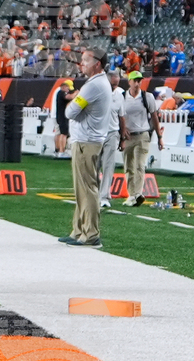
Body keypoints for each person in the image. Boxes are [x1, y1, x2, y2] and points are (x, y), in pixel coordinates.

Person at [57, 49, 112, 248]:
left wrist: (76, 98)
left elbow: (70, 112)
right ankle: (79, 230)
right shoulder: (97, 83)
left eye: (85, 60)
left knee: (87, 188)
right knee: (83, 188)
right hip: (87, 141)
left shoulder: (93, 86)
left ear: (97, 63)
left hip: (86, 142)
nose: (82, 64)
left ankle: (90, 234)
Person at [119, 71, 164, 206]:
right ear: (130, 82)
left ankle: (137, 193)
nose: (138, 83)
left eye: (140, 81)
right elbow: (117, 115)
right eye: (135, 80)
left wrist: (159, 136)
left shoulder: (147, 97)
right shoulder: (122, 97)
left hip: (142, 134)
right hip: (127, 136)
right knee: (128, 166)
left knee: (139, 165)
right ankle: (132, 194)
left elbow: (154, 116)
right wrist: (122, 129)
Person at [98, 70, 126, 208]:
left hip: (112, 133)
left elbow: (121, 116)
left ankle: (104, 196)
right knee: (94, 166)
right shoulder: (97, 92)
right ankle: (95, 193)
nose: (114, 87)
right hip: (96, 134)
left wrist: (122, 137)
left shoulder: (120, 95)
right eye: (112, 84)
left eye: (116, 84)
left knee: (108, 166)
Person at [54, 80, 72, 158]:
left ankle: (57, 150)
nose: (68, 91)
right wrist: (77, 93)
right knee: (63, 134)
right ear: (64, 87)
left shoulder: (58, 92)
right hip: (62, 116)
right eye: (68, 89)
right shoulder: (61, 93)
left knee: (58, 134)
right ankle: (62, 151)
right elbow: (70, 97)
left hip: (58, 115)